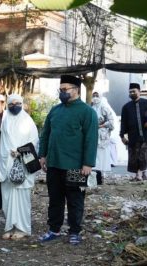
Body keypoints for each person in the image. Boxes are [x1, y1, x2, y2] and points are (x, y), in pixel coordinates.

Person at [38, 75, 98, 245]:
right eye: (61, 89)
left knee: (75, 199)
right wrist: (42, 155)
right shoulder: (55, 110)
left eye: (65, 89)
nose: (62, 92)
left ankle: (74, 231)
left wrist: (88, 163)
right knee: (55, 198)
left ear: (76, 90)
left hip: (76, 166)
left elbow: (91, 139)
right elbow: (45, 134)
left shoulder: (87, 112)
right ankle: (54, 229)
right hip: (54, 164)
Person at [0, 94, 39, 240]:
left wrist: (20, 151)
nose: (14, 105)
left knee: (21, 198)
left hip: (22, 164)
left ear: (22, 103)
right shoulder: (5, 119)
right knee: (7, 197)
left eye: (17, 103)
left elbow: (34, 141)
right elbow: (2, 141)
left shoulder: (28, 121)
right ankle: (9, 226)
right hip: (6, 163)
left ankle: (22, 228)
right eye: (11, 103)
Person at [119, 83, 147, 181]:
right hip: (133, 136)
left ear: (139, 92)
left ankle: (139, 175)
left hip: (146, 134)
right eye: (130, 92)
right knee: (134, 156)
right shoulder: (126, 107)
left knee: (143, 154)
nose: (132, 93)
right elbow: (123, 122)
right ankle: (141, 174)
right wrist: (122, 136)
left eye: (134, 91)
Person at [91, 92, 116, 173]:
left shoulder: (104, 107)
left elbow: (111, 122)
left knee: (102, 155)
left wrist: (101, 126)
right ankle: (95, 174)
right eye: (93, 96)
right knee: (95, 155)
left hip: (102, 136)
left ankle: (101, 174)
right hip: (93, 134)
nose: (95, 97)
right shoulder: (91, 107)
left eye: (97, 96)